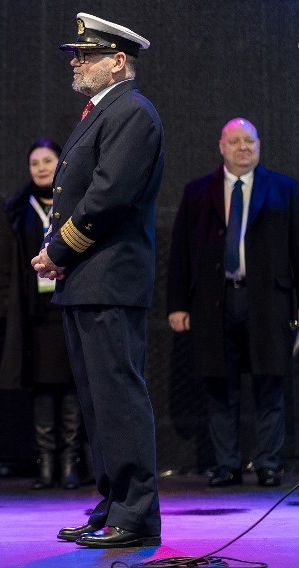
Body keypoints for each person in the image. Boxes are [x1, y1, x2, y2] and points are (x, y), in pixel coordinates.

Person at [30, 13, 164, 548]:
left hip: (111, 277)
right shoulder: (104, 110)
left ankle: (135, 515)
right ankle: (112, 502)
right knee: (97, 400)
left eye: (86, 55)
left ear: (118, 61)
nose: (77, 63)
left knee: (119, 397)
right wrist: (60, 254)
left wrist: (57, 249)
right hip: (89, 278)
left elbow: (109, 195)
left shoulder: (133, 111)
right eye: (76, 55)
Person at [166, 118, 299, 489]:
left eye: (250, 141)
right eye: (236, 141)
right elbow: (180, 254)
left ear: (259, 146)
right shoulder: (197, 192)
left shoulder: (286, 189)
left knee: (270, 384)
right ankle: (226, 464)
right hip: (215, 301)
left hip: (269, 303)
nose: (244, 148)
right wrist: (177, 305)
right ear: (221, 146)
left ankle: (269, 463)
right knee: (219, 387)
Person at [0, 139, 84, 490]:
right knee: (42, 389)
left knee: (72, 386)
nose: (42, 168)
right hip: (34, 313)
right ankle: (46, 462)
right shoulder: (17, 209)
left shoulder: (76, 201)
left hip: (68, 303)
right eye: (35, 163)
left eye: (48, 160)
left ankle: (72, 462)